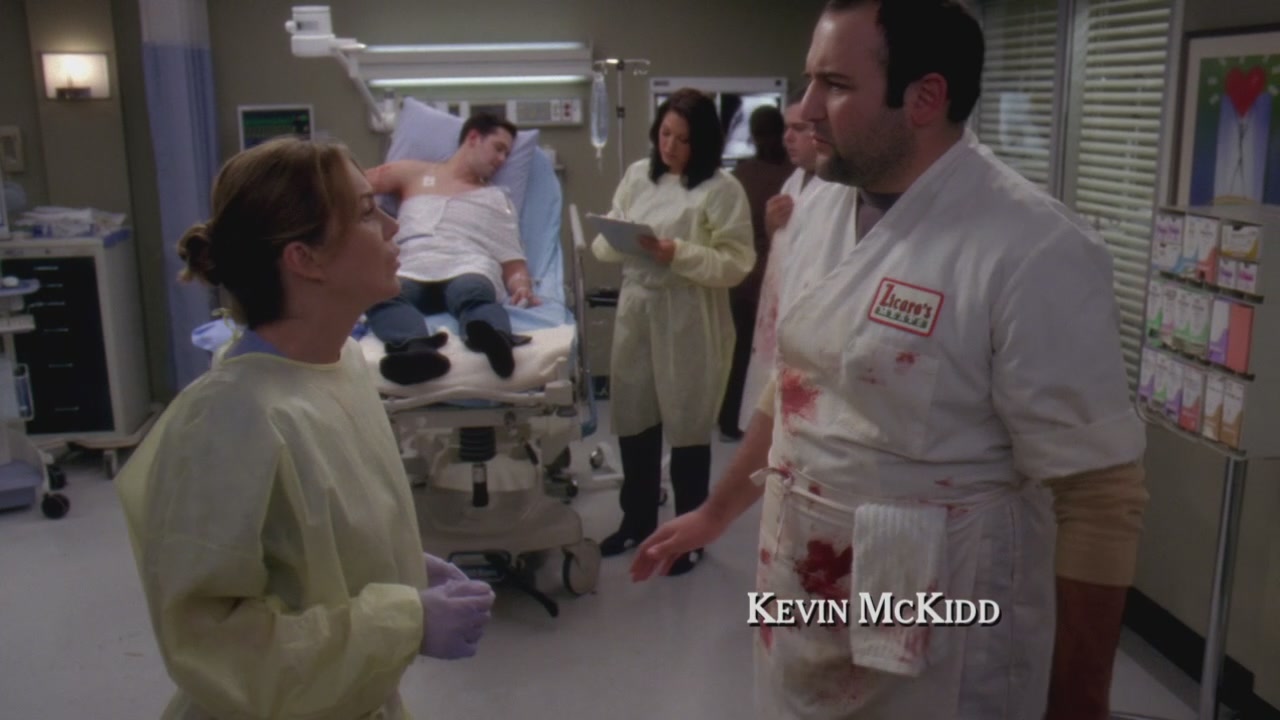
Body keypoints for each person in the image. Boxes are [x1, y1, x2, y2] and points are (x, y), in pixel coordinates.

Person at [632, 1, 1149, 718]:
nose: (804, 109)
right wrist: (716, 513)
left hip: (943, 619)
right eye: (810, 81)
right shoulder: (819, 206)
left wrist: (1079, 703)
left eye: (836, 85)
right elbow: (797, 384)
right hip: (801, 586)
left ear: (924, 97)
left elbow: (1100, 498)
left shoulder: (1031, 250)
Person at [114, 137, 496, 720]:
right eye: (366, 212)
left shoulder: (342, 366)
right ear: (305, 259)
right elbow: (215, 648)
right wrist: (404, 622)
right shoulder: (228, 420)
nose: (393, 226)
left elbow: (308, 538)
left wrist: (397, 564)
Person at [592, 87, 755, 576]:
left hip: (688, 312)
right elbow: (606, 240)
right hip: (638, 306)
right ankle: (637, 521)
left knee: (687, 425)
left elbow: (736, 262)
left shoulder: (722, 189)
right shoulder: (638, 176)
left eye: (682, 140)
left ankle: (689, 537)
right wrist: (620, 239)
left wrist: (678, 253)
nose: (670, 147)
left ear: (702, 142)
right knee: (634, 418)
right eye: (665, 134)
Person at [364, 112, 538, 384]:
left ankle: (495, 339)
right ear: (473, 138)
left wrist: (521, 286)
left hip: (468, 265)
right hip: (412, 266)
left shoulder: (495, 199)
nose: (502, 159)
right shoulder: (415, 174)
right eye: (498, 148)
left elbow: (512, 261)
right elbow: (356, 185)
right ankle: (415, 349)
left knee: (473, 295)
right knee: (382, 295)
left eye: (507, 154)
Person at [737, 95, 828, 433]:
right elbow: (785, 246)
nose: (787, 137)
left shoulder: (836, 189)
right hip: (776, 314)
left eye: (798, 129)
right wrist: (770, 225)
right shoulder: (794, 180)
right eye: (787, 128)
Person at [717, 104, 795, 441]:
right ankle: (756, 423)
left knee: (740, 354)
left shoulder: (741, 176)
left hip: (744, 280)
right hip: (768, 278)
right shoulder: (792, 177)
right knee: (763, 355)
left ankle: (730, 420)